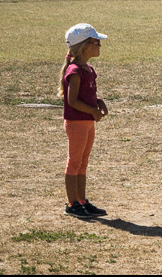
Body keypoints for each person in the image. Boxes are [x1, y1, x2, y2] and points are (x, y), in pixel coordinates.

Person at [59, 23, 110, 219]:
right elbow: (72, 101)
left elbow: (86, 95)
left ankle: (81, 201)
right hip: (77, 123)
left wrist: (99, 102)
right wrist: (92, 111)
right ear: (85, 45)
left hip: (87, 122)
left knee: (83, 162)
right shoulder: (74, 71)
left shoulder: (88, 69)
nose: (100, 45)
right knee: (74, 163)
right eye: (96, 42)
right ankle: (72, 204)